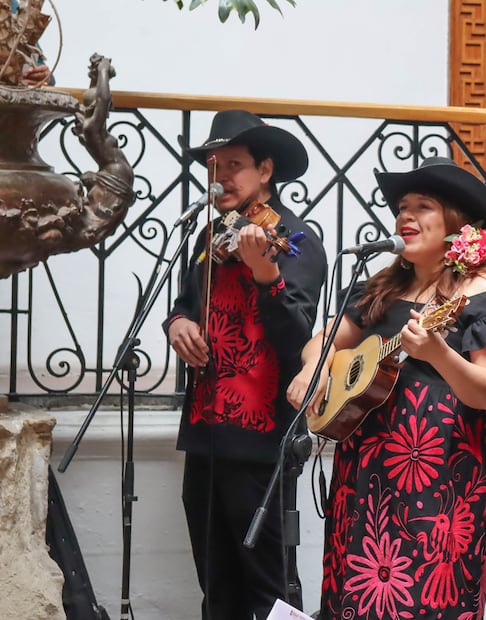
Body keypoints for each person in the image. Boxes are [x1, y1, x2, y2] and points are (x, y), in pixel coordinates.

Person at [286, 157, 486, 619]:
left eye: (422, 206)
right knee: (357, 593)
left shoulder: (483, 289)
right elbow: (324, 341)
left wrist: (439, 354)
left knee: (428, 597)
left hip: (445, 468)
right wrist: (314, 367)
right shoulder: (384, 287)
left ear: (459, 225)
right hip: (368, 464)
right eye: (402, 207)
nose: (404, 217)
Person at [163, 109, 326, 620]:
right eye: (213, 166)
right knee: (216, 586)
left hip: (263, 444)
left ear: (266, 170)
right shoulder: (209, 237)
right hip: (205, 431)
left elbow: (298, 340)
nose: (221, 177)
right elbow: (186, 303)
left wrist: (264, 274)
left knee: (270, 588)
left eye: (234, 164)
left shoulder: (297, 241)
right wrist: (176, 324)